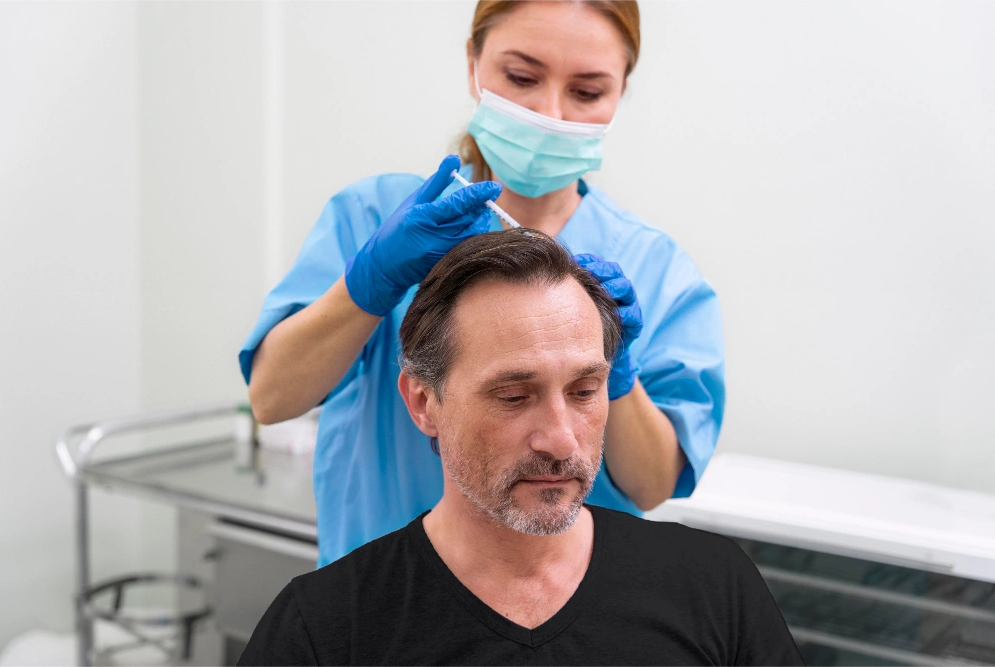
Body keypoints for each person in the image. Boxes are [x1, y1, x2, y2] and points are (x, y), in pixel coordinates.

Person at [241, 0, 725, 568]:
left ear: (620, 92)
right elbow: (272, 398)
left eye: (587, 91)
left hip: (572, 602)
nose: (550, 113)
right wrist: (372, 281)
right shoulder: (376, 218)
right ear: (474, 63)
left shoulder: (656, 268)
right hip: (386, 589)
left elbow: (651, 486)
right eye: (521, 77)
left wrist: (615, 374)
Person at [237, 231, 800, 666]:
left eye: (585, 391)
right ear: (425, 403)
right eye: (513, 396)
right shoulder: (325, 628)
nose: (561, 439)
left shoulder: (714, 586)